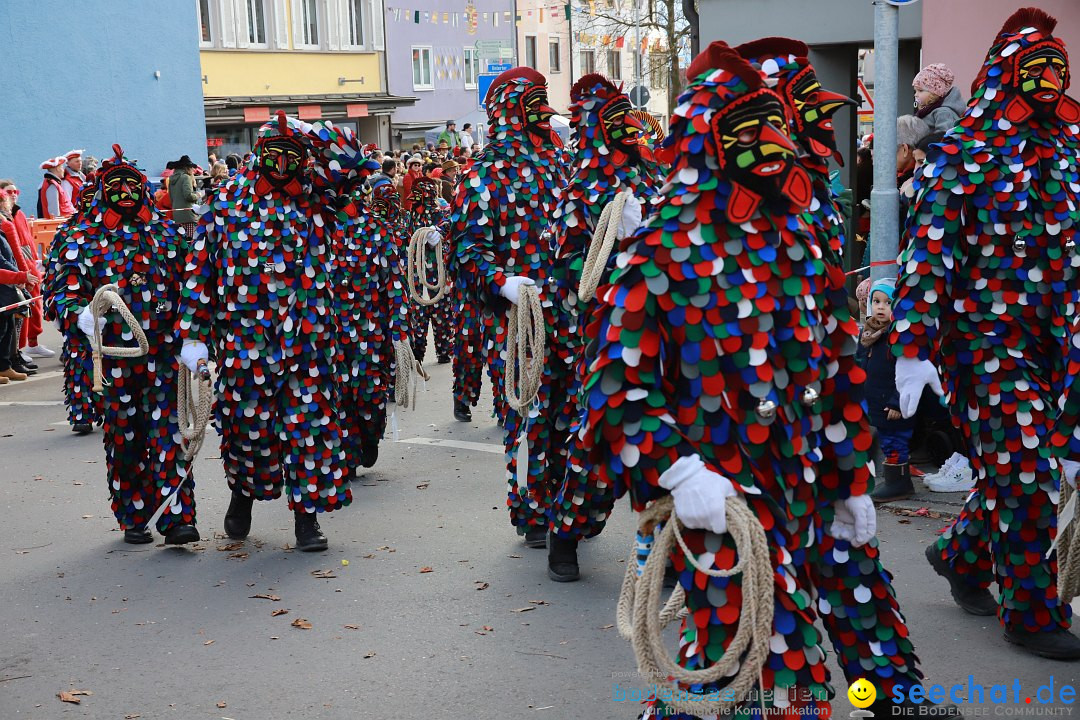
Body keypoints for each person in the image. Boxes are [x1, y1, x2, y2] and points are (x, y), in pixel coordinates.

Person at [578, 41, 883, 716]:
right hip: (718, 497)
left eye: (775, 125)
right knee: (775, 657)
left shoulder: (799, 239)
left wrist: (848, 480)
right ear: (709, 140)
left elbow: (833, 365)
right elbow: (613, 382)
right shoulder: (663, 244)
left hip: (794, 488)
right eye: (748, 131)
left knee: (727, 659)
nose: (772, 143)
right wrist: (679, 471)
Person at [893, 7, 1080, 659]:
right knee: (1027, 463)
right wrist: (912, 349)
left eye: (1059, 68)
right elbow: (927, 250)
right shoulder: (967, 149)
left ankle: (960, 555)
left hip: (1055, 338)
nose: (1052, 79)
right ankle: (1031, 612)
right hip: (985, 340)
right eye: (1037, 69)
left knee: (1018, 468)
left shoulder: (1068, 149)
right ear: (1007, 75)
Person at [177, 113, 368, 552]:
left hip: (309, 340)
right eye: (275, 154)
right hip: (246, 343)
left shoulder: (319, 201)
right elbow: (199, 271)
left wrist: (306, 129)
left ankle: (307, 518)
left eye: (293, 156)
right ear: (258, 155)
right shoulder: (225, 204)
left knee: (310, 429)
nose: (283, 166)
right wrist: (193, 336)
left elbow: (355, 161)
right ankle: (242, 493)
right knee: (249, 429)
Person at [42, 145, 197, 545]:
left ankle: (177, 518)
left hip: (162, 355)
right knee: (126, 436)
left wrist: (192, 337)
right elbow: (58, 290)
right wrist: (78, 313)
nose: (125, 191)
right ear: (101, 190)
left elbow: (193, 287)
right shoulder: (78, 236)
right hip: (112, 359)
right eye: (116, 185)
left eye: (132, 184)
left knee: (170, 433)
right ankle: (134, 514)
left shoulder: (166, 234)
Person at [545, 73, 658, 581]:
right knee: (598, 438)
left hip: (665, 333)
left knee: (666, 443)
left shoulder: (655, 181)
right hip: (609, 333)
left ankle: (669, 545)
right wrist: (620, 248)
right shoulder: (580, 191)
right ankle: (565, 534)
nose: (630, 131)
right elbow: (571, 270)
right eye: (618, 123)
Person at [449, 66, 561, 547]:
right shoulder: (483, 174)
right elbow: (464, 250)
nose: (543, 115)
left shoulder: (563, 165)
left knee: (570, 413)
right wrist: (502, 284)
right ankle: (532, 512)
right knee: (529, 414)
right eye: (532, 104)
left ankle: (569, 505)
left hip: (569, 313)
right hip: (516, 319)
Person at [41, 172, 103, 433]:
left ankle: (97, 407)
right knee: (79, 355)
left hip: (102, 304)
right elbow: (53, 273)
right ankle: (82, 411)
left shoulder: (107, 233)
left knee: (99, 356)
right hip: (74, 305)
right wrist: (61, 306)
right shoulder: (70, 233)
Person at [856, 278, 916, 502]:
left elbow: (908, 373)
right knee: (884, 438)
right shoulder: (869, 335)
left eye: (888, 302)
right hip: (875, 400)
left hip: (892, 403)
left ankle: (898, 482)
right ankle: (890, 479)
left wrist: (898, 401)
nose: (881, 307)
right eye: (876, 301)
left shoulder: (898, 337)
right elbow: (861, 363)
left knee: (895, 440)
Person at [0, 180, 53, 361]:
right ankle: (17, 352)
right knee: (18, 313)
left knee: (33, 308)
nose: (13, 194)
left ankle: (30, 344)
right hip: (18, 269)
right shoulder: (7, 221)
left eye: (16, 190)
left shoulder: (18, 214)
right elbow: (12, 251)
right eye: (9, 192)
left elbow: (26, 243)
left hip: (28, 266)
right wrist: (21, 274)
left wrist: (34, 263)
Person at [407, 176, 453, 365]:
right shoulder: (411, 216)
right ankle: (417, 352)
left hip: (438, 270)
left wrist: (437, 231)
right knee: (418, 312)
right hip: (417, 272)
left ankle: (444, 351)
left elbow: (449, 223)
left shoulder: (441, 212)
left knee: (441, 311)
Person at [913, 63, 967, 134]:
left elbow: (943, 136)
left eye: (920, 90)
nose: (915, 95)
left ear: (934, 93)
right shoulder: (926, 111)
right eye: (915, 91)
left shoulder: (943, 112)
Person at [166, 155, 201, 239]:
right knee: (192, 240)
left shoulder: (171, 178)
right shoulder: (186, 177)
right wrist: (198, 195)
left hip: (177, 215)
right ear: (187, 167)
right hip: (188, 215)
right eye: (191, 167)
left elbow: (171, 197)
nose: (193, 169)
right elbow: (188, 196)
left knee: (182, 241)